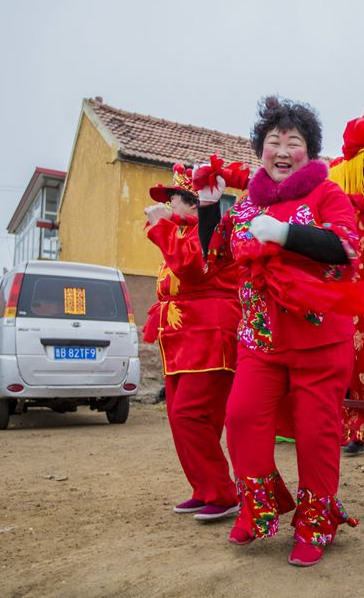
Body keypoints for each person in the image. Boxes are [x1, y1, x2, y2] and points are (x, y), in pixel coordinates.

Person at [197, 96, 363, 567]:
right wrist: (210, 209)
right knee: (241, 419)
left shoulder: (327, 195)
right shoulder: (247, 204)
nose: (283, 149)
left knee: (316, 435)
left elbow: (347, 247)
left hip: (320, 339)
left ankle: (315, 525)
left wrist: (284, 234)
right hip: (260, 337)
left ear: (309, 152)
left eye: (295, 141)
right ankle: (259, 509)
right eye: (274, 141)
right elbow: (217, 258)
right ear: (261, 150)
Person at [142, 165, 242, 523]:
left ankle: (222, 492)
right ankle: (204, 488)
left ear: (194, 202)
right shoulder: (180, 231)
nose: (167, 205)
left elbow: (190, 268)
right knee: (180, 416)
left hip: (209, 334)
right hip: (181, 339)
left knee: (190, 414)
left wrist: (160, 226)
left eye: (173, 199)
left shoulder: (209, 231)